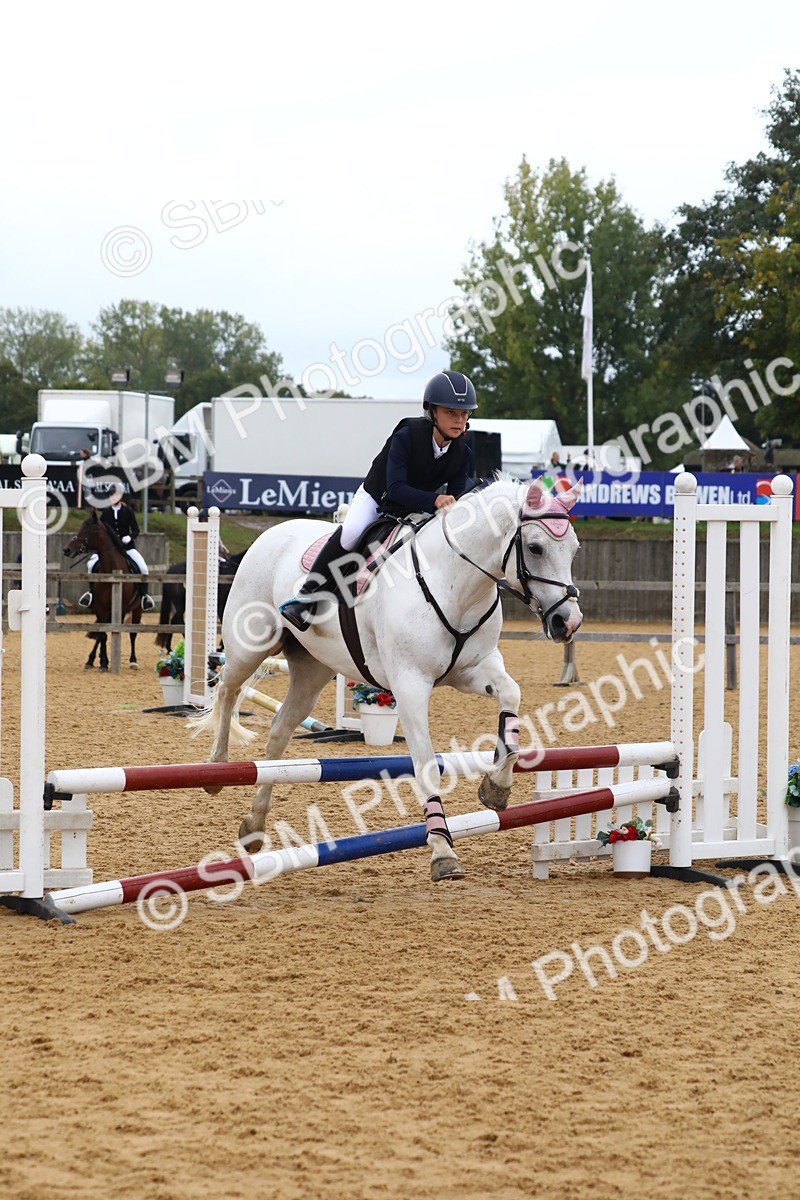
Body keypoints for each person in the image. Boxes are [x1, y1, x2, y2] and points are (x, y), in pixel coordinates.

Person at [279, 369, 478, 632]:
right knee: (352, 532)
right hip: (379, 497)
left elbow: (452, 502)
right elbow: (395, 489)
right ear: (432, 412)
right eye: (451, 412)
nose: (459, 419)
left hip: (417, 508)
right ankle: (306, 596)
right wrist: (436, 500)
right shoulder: (407, 434)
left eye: (464, 413)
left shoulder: (462, 452)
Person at [79, 484, 155, 610]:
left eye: (115, 495)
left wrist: (129, 537)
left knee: (143, 568)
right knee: (91, 565)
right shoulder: (106, 513)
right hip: (109, 550)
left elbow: (136, 530)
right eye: (110, 495)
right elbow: (100, 531)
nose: (112, 497)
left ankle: (143, 596)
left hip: (127, 548)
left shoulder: (128, 512)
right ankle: (91, 593)